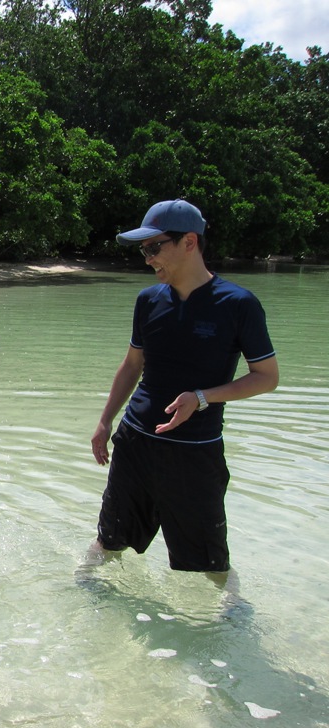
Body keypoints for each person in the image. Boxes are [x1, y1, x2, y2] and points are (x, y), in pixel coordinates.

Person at [85, 199, 279, 585]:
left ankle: (230, 617)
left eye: (154, 247)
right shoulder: (148, 300)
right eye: (144, 249)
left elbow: (266, 377)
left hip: (195, 451)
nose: (147, 259)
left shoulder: (238, 304)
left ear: (189, 242)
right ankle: (83, 592)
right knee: (110, 540)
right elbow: (131, 365)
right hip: (136, 442)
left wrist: (203, 397)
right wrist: (105, 421)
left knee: (209, 563)